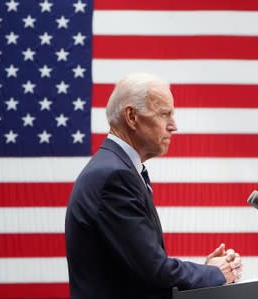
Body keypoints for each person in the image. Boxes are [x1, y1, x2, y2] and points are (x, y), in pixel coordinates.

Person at [65, 72, 242, 299]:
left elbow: (137, 269)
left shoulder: (117, 168)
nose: (173, 126)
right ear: (131, 116)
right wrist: (214, 273)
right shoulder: (115, 176)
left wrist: (206, 271)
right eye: (164, 114)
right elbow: (154, 271)